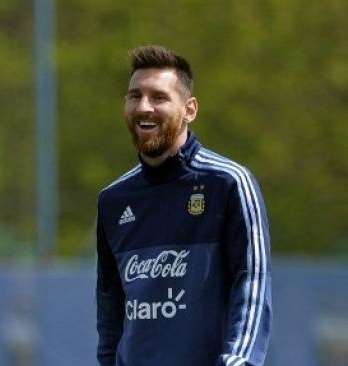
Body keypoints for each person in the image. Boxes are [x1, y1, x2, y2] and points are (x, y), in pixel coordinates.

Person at [95, 45, 272, 366]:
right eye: (135, 96)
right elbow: (110, 303)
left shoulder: (229, 182)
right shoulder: (113, 199)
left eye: (159, 97)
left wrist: (238, 360)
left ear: (189, 110)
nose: (144, 107)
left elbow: (253, 280)